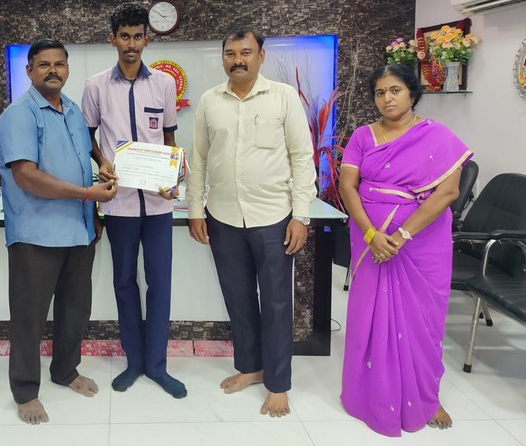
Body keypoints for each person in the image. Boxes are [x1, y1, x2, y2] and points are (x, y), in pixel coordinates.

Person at [186, 26, 316, 417]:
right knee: (238, 299)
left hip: (273, 217)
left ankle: (278, 384)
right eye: (230, 53)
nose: (237, 60)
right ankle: (250, 367)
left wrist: (301, 215)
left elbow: (302, 157)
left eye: (245, 52)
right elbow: (199, 159)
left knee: (276, 303)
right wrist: (195, 209)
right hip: (223, 216)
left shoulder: (283, 96)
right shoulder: (210, 101)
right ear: (223, 58)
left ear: (261, 55)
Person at [339, 63, 471, 436]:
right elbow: (348, 187)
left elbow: (448, 192)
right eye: (380, 92)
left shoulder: (438, 137)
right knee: (370, 316)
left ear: (412, 93)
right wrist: (371, 235)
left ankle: (427, 396)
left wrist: (401, 236)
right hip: (370, 239)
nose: (387, 98)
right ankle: (368, 394)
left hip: (422, 242)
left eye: (395, 90)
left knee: (422, 321)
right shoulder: (363, 136)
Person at [0, 38, 117, 425]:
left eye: (59, 64)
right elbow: (26, 176)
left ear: (67, 69)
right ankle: (25, 391)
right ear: (29, 70)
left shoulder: (72, 109)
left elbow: (85, 148)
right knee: (29, 317)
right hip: (36, 234)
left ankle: (65, 371)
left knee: (75, 309)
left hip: (79, 230)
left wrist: (102, 161)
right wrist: (88, 194)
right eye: (44, 64)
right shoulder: (20, 115)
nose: (53, 70)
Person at [81, 3, 187, 398]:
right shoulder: (95, 86)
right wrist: (103, 162)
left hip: (158, 205)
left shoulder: (163, 83)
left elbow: (170, 138)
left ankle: (157, 366)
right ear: (113, 39)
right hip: (118, 203)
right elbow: (87, 137)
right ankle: (134, 362)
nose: (131, 43)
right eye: (124, 36)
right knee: (124, 282)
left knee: (160, 283)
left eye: (137, 36)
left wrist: (173, 176)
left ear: (147, 38)